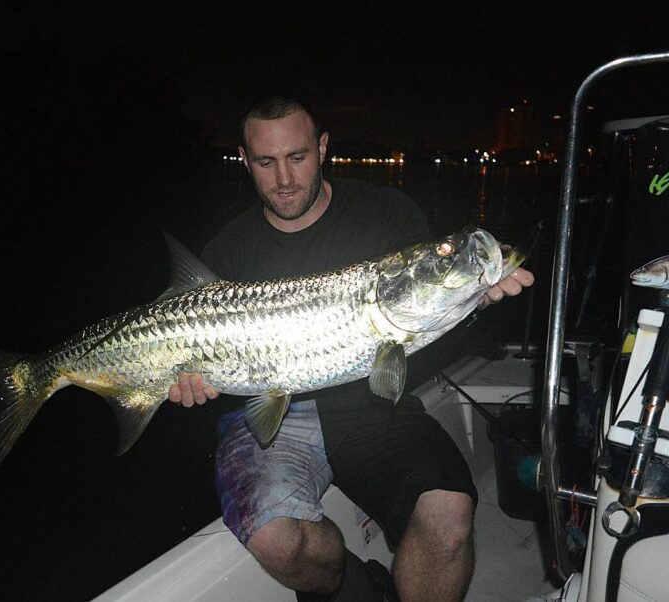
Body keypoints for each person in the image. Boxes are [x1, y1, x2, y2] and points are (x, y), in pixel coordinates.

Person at [167, 94, 534, 601]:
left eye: (297, 157)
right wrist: (187, 383)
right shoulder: (228, 250)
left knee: (448, 513)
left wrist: (478, 299)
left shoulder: (385, 212)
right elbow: (198, 366)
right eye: (266, 163)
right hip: (269, 414)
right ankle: (358, 586)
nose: (285, 179)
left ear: (321, 148)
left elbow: (423, 326)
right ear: (246, 160)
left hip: (372, 405)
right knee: (279, 543)